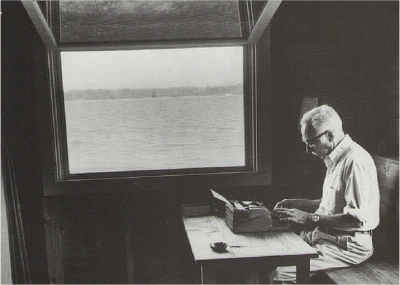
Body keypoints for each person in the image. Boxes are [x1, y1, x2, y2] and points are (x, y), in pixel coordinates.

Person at [261, 105, 380, 285]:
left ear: (330, 135)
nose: (309, 150)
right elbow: (334, 203)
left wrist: (309, 218)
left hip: (347, 245)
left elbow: (356, 220)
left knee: (280, 274)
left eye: (311, 143)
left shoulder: (355, 161)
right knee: (265, 260)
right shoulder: (335, 158)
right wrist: (298, 204)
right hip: (325, 236)